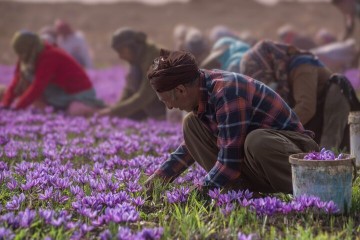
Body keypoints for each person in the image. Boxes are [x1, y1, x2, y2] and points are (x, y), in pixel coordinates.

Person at [144, 49, 319, 195]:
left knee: (257, 141)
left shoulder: (228, 92)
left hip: (296, 156)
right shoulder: (201, 89)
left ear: (181, 90)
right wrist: (160, 178)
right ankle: (239, 193)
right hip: (260, 162)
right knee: (191, 125)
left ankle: (309, 191)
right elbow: (191, 148)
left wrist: (197, 194)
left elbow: (229, 162)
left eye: (166, 100)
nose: (170, 107)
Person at [240, 40, 360, 149]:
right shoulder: (283, 75)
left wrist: (277, 127)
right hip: (317, 113)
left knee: (327, 155)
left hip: (333, 106)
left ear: (268, 62)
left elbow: (306, 107)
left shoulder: (302, 66)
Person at [1, 30, 104, 116]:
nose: (21, 56)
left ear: (29, 47)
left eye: (22, 51)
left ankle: (102, 112)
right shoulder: (26, 57)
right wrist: (6, 105)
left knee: (74, 111)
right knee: (31, 98)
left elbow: (38, 86)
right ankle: (56, 111)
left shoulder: (49, 55)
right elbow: (16, 82)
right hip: (55, 93)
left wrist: (17, 109)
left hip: (76, 93)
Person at [97, 28, 166, 120]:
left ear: (133, 46)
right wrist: (115, 109)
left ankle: (161, 117)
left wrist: (114, 112)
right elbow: (129, 90)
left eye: (121, 51)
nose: (120, 56)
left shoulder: (155, 58)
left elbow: (146, 94)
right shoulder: (138, 58)